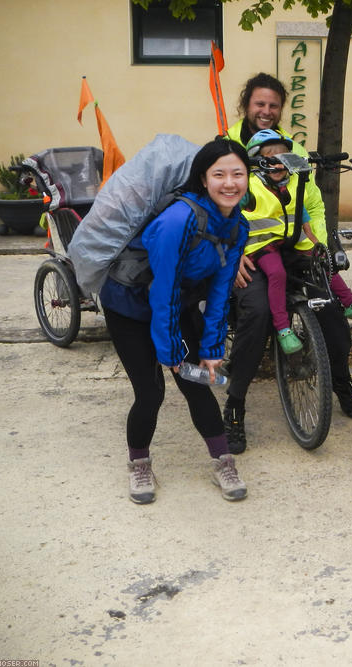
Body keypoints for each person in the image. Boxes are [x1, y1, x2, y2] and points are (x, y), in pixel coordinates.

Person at [223, 74, 352, 455]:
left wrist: (317, 241)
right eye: (259, 104)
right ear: (246, 105)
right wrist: (231, 254)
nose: (266, 112)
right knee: (255, 314)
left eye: (273, 105)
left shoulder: (294, 151)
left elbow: (314, 205)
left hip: (296, 244)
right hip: (252, 251)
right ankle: (235, 403)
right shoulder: (226, 147)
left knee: (331, 309)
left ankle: (340, 380)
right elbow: (216, 208)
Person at [99, 137, 251, 504]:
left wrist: (212, 349)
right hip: (131, 305)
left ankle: (223, 461)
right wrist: (168, 353)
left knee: (198, 382)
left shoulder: (237, 226)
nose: (229, 183)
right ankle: (139, 464)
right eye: (219, 174)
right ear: (203, 179)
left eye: (238, 174)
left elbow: (219, 291)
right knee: (151, 392)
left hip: (175, 304)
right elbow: (162, 289)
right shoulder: (177, 221)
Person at [242, 129, 352, 355]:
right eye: (270, 158)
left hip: (291, 238)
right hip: (261, 243)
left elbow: (301, 210)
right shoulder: (250, 185)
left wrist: (311, 238)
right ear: (256, 160)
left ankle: (350, 301)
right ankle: (283, 329)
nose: (278, 164)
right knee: (277, 274)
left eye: (283, 157)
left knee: (320, 261)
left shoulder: (292, 182)